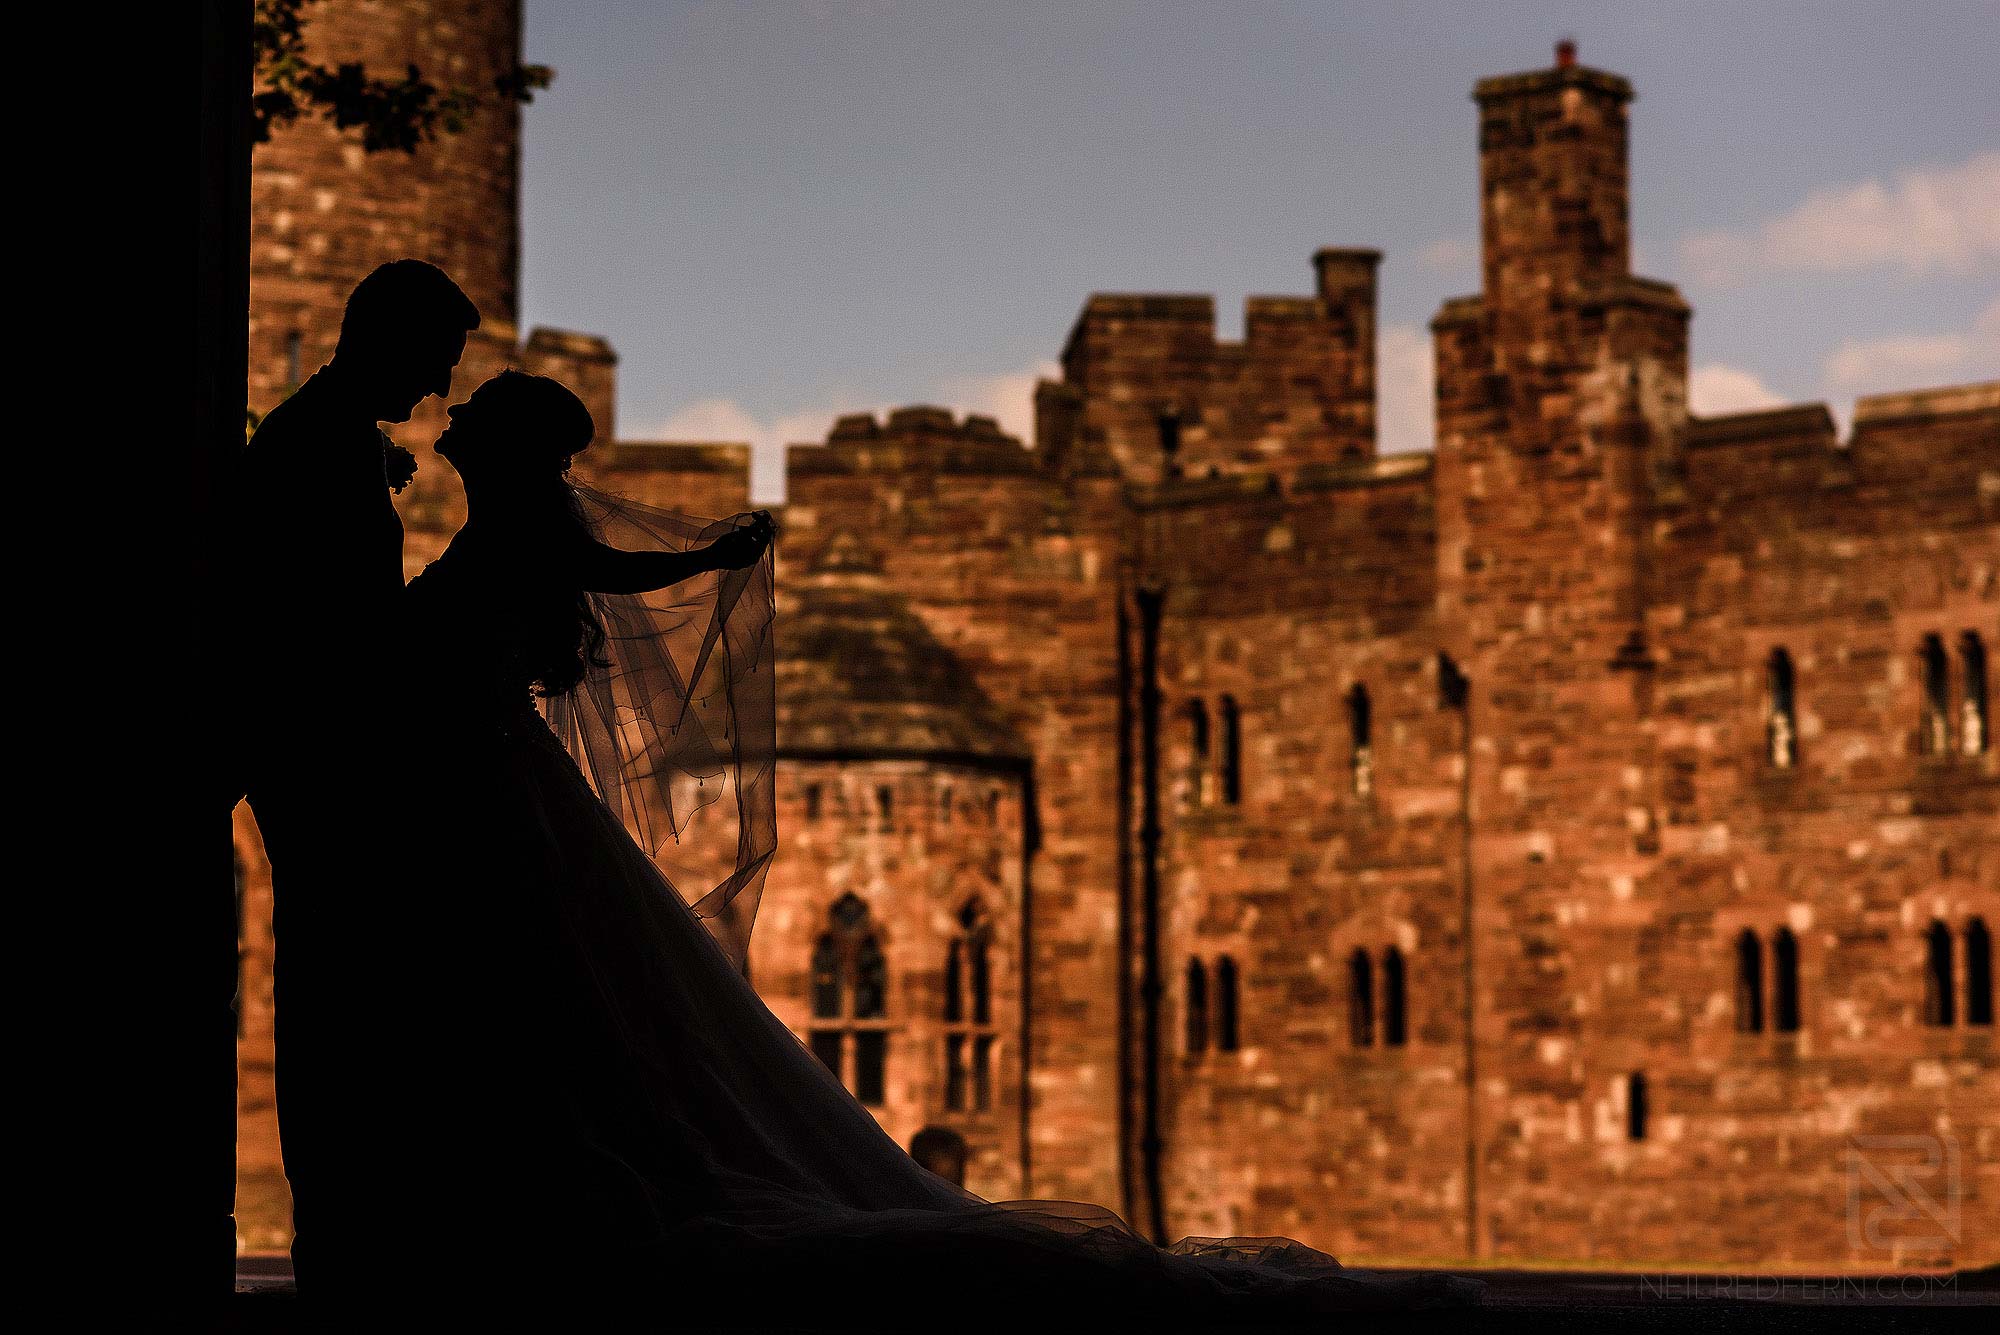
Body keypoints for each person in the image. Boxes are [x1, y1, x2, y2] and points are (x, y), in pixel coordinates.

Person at [392, 369, 1482, 1325]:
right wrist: (714, 551)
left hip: (495, 787)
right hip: (505, 784)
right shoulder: (529, 540)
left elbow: (560, 599)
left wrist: (715, 552)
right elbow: (603, 585)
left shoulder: (502, 542)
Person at [229, 260, 478, 1299]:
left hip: (328, 757)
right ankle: (347, 1233)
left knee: (347, 998)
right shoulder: (312, 448)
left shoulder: (325, 439)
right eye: (433, 363)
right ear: (384, 336)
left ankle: (356, 1226)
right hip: (326, 762)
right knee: (339, 1004)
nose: (436, 394)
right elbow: (327, 630)